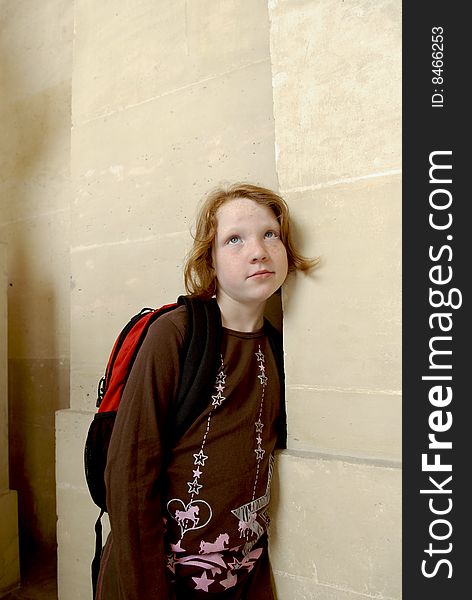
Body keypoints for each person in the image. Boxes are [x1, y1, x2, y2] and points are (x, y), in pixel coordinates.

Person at [96, 183, 316, 599]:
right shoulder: (176, 334)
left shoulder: (276, 345)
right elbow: (129, 474)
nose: (258, 251)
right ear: (210, 260)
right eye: (234, 239)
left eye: (270, 234)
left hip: (243, 576)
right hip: (164, 580)